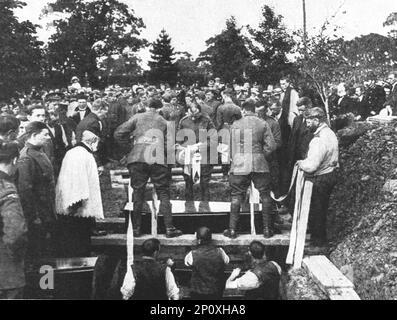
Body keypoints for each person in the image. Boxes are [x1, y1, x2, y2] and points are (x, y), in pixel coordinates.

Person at [114, 98, 182, 238]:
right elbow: (169, 146)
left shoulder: (137, 117)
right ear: (159, 109)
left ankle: (136, 229)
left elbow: (118, 134)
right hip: (157, 160)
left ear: (147, 107)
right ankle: (169, 228)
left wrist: (130, 149)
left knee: (138, 192)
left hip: (137, 159)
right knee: (163, 192)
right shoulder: (165, 122)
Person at [224, 100, 277, 239]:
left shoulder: (235, 125)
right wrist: (261, 156)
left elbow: (231, 147)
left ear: (243, 110)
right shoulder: (263, 123)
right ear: (255, 110)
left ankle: (232, 230)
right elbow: (271, 146)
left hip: (240, 163)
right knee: (265, 195)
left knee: (236, 196)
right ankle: (267, 230)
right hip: (259, 163)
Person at [55, 129, 104, 257]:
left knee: (78, 236)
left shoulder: (76, 153)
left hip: (76, 204)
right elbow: (77, 180)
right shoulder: (80, 155)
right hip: (77, 206)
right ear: (94, 141)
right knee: (77, 238)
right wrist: (76, 203)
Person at [297, 108, 339, 247]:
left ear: (317, 120)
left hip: (321, 178)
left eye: (309, 121)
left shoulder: (318, 140)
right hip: (330, 174)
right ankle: (319, 239)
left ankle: (318, 243)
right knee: (321, 209)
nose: (307, 124)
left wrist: (301, 163)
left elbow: (312, 166)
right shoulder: (330, 133)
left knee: (317, 211)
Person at [17, 121, 57, 261]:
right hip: (38, 216)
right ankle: (43, 282)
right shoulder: (27, 157)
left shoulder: (38, 152)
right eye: (45, 134)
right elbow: (25, 191)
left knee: (47, 251)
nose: (49, 137)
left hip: (46, 212)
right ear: (34, 135)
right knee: (39, 254)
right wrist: (34, 217)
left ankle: (47, 281)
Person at [0, 141, 27, 299]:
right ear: (15, 160)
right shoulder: (6, 189)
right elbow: (16, 231)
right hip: (6, 273)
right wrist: (16, 256)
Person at [177, 100, 217, 205]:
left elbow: (214, 139)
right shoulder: (183, 121)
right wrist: (184, 148)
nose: (194, 117)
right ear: (188, 112)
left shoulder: (206, 121)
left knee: (204, 183)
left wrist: (200, 145)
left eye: (196, 114)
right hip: (188, 156)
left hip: (204, 155)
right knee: (188, 183)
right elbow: (178, 139)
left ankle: (206, 208)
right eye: (191, 114)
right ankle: (189, 208)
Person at [184, 227, 230, 300]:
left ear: (199, 240)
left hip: (198, 292)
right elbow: (227, 261)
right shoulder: (220, 252)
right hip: (216, 291)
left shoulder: (192, 254)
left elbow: (187, 263)